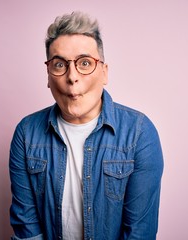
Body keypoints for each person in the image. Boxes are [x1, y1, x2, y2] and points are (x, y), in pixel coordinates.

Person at [9, 11, 164, 240]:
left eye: (84, 63)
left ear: (104, 72)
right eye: (59, 64)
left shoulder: (140, 134)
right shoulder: (26, 134)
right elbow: (27, 228)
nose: (72, 77)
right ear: (48, 76)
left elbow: (139, 233)